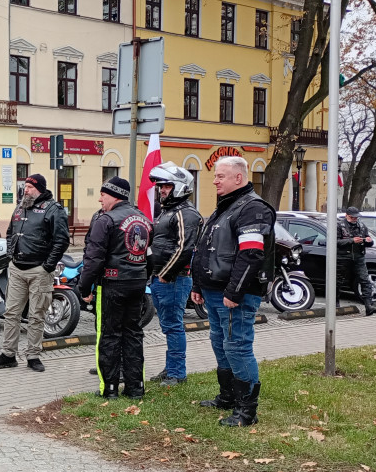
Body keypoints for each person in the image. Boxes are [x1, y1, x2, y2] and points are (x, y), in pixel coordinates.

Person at [191, 156, 275, 427]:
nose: (214, 180)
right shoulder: (225, 207)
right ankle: (227, 396)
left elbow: (251, 254)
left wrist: (234, 292)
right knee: (220, 342)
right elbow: (205, 248)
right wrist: (197, 285)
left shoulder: (252, 208)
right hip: (214, 290)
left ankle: (246, 410)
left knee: (237, 346)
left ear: (238, 178)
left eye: (220, 176)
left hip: (235, 293)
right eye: (215, 176)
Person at [79, 176, 153, 399]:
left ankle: (109, 389)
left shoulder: (106, 220)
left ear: (114, 195)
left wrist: (84, 288)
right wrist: (142, 277)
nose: (100, 198)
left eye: (103, 194)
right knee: (133, 334)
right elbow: (150, 256)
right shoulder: (143, 219)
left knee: (109, 336)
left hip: (112, 284)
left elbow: (94, 259)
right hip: (137, 284)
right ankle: (135, 388)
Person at [0, 173, 70, 373]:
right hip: (17, 268)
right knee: (11, 313)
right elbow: (10, 233)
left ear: (40, 189)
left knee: (36, 315)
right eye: (25, 186)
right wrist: (11, 254)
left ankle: (33, 355)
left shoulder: (53, 209)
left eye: (30, 187)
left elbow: (62, 241)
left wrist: (47, 267)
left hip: (39, 270)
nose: (26, 189)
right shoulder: (19, 207)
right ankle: (8, 354)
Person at [147, 162, 203, 387]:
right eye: (161, 186)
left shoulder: (186, 214)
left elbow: (185, 248)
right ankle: (171, 368)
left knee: (173, 326)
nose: (162, 190)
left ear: (179, 186)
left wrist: (166, 275)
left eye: (167, 186)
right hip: (160, 278)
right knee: (168, 327)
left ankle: (177, 373)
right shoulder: (167, 212)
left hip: (174, 279)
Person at [337, 206, 376, 316]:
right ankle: (335, 304)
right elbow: (335, 242)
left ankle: (369, 305)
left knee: (365, 280)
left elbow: (368, 241)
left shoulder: (362, 226)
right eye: (352, 217)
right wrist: (351, 241)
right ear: (346, 216)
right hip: (343, 257)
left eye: (356, 217)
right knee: (338, 281)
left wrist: (369, 241)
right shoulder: (339, 225)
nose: (354, 219)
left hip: (359, 256)